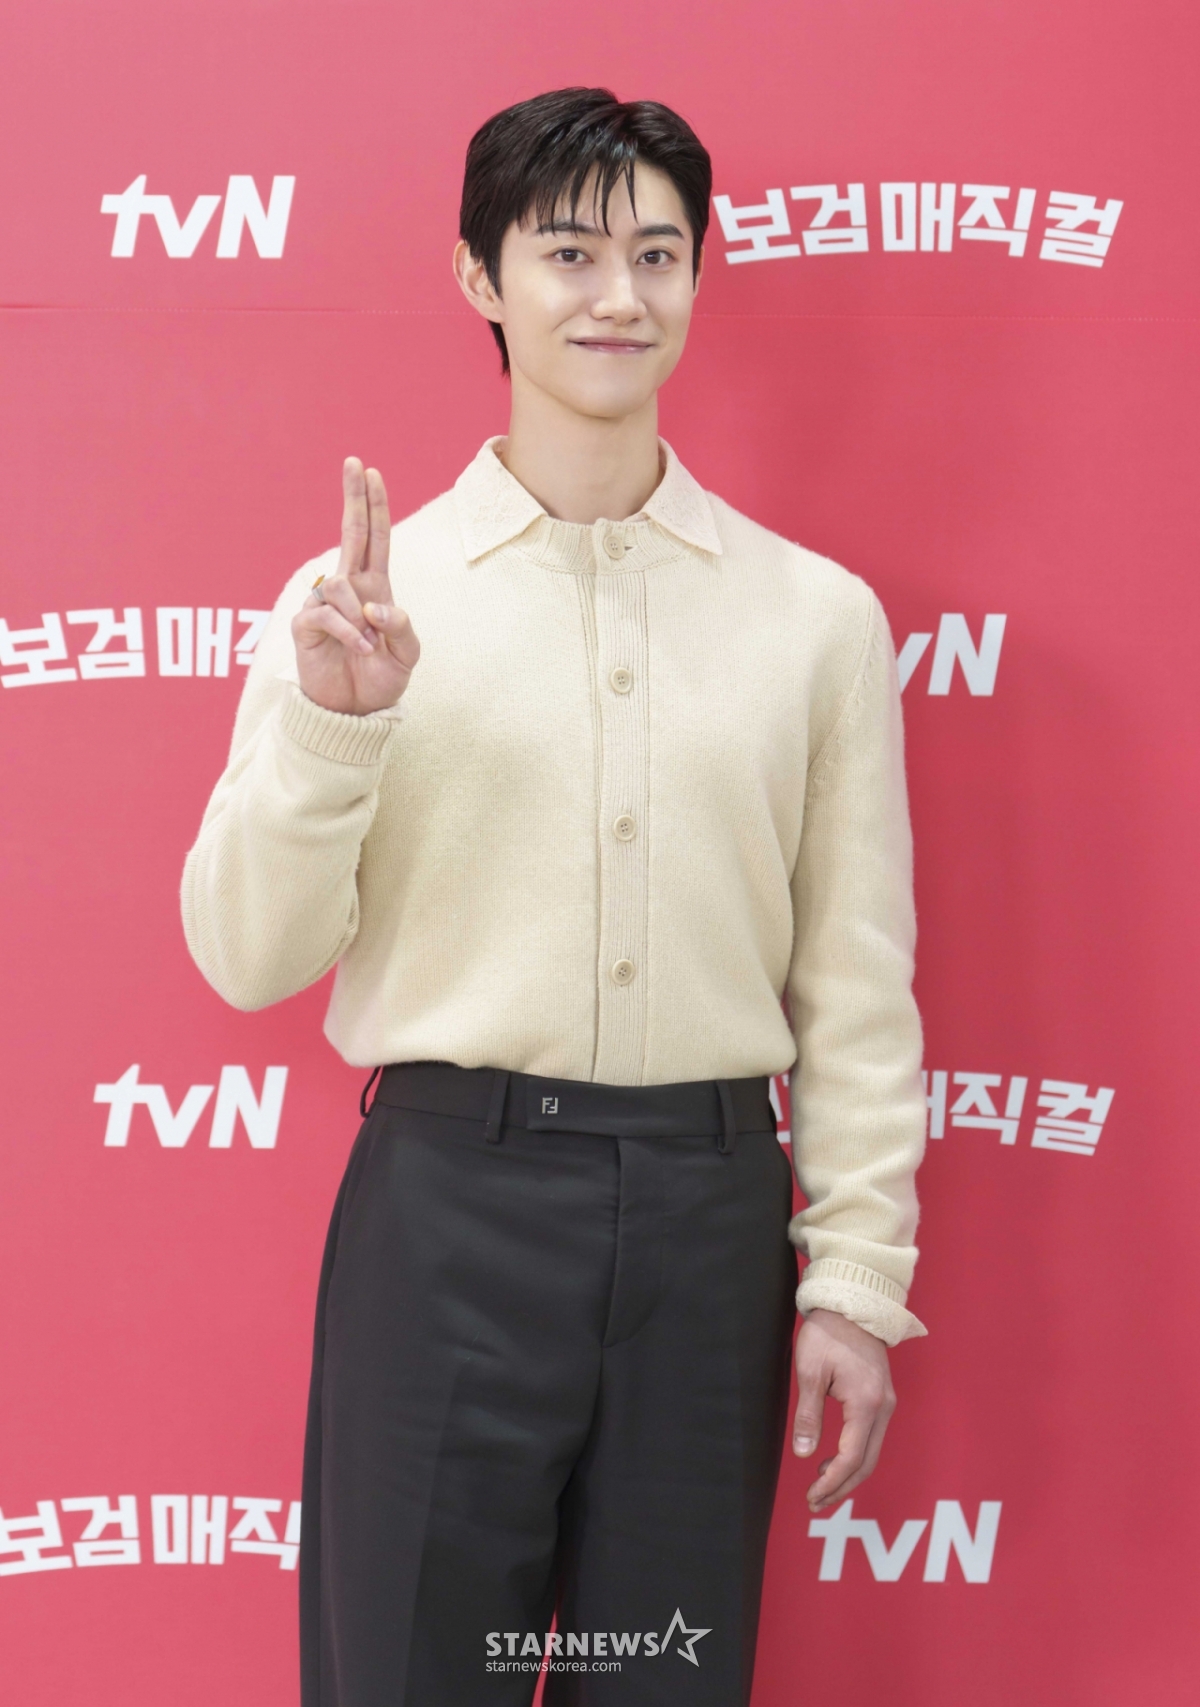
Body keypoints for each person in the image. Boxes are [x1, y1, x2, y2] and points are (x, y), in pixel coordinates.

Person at [182, 86, 926, 1707]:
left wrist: (857, 1280)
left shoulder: (816, 619)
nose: (620, 296)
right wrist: (336, 722)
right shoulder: (365, 605)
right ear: (480, 278)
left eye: (660, 253)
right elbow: (247, 956)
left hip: (713, 1222)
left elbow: (858, 991)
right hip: (448, 1206)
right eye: (571, 251)